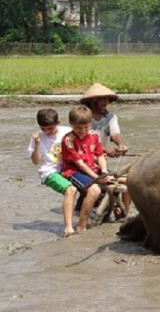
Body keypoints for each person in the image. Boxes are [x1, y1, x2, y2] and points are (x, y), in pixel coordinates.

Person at [61, 104, 116, 232]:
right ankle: (81, 224)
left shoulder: (94, 136)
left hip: (93, 167)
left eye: (86, 127)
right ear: (71, 124)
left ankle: (121, 215)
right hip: (74, 171)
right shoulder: (68, 140)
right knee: (95, 190)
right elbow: (80, 164)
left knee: (126, 181)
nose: (83, 131)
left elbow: (100, 155)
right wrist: (96, 178)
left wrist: (104, 171)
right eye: (78, 128)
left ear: (90, 124)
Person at [28, 108, 79, 237]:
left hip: (68, 168)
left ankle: (83, 221)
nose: (47, 132)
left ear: (58, 123)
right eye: (43, 129)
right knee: (71, 190)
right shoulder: (37, 138)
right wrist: (37, 144)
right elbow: (35, 161)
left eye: (50, 129)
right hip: (48, 172)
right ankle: (68, 228)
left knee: (92, 186)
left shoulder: (68, 132)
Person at [79, 82, 128, 158]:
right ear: (94, 100)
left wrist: (121, 145)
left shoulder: (111, 117)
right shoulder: (82, 115)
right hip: (84, 155)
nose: (106, 103)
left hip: (100, 156)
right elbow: (84, 140)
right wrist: (105, 149)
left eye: (108, 100)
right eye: (103, 99)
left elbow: (115, 134)